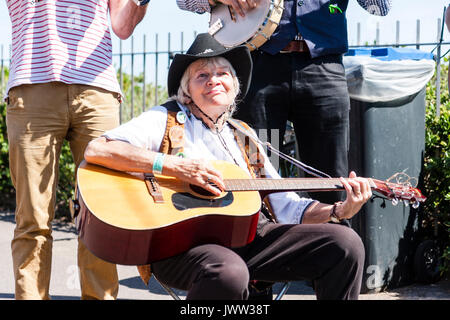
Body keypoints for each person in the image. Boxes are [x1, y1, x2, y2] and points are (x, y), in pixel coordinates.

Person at [83, 33, 373, 300]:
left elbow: (288, 208)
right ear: (187, 90)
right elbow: (99, 149)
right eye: (202, 75)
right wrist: (175, 167)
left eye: (222, 74)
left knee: (344, 243)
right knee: (230, 272)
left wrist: (338, 211)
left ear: (234, 86)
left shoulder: (245, 136)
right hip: (180, 243)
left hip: (248, 237)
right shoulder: (164, 118)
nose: (214, 80)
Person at [176, 0, 391, 206]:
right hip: (258, 69)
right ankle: (258, 240)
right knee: (255, 178)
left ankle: (334, 238)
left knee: (331, 181)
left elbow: (381, 7)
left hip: (323, 68)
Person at [5, 0, 149, 300]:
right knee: (32, 217)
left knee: (101, 214)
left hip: (97, 89)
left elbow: (122, 26)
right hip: (33, 85)